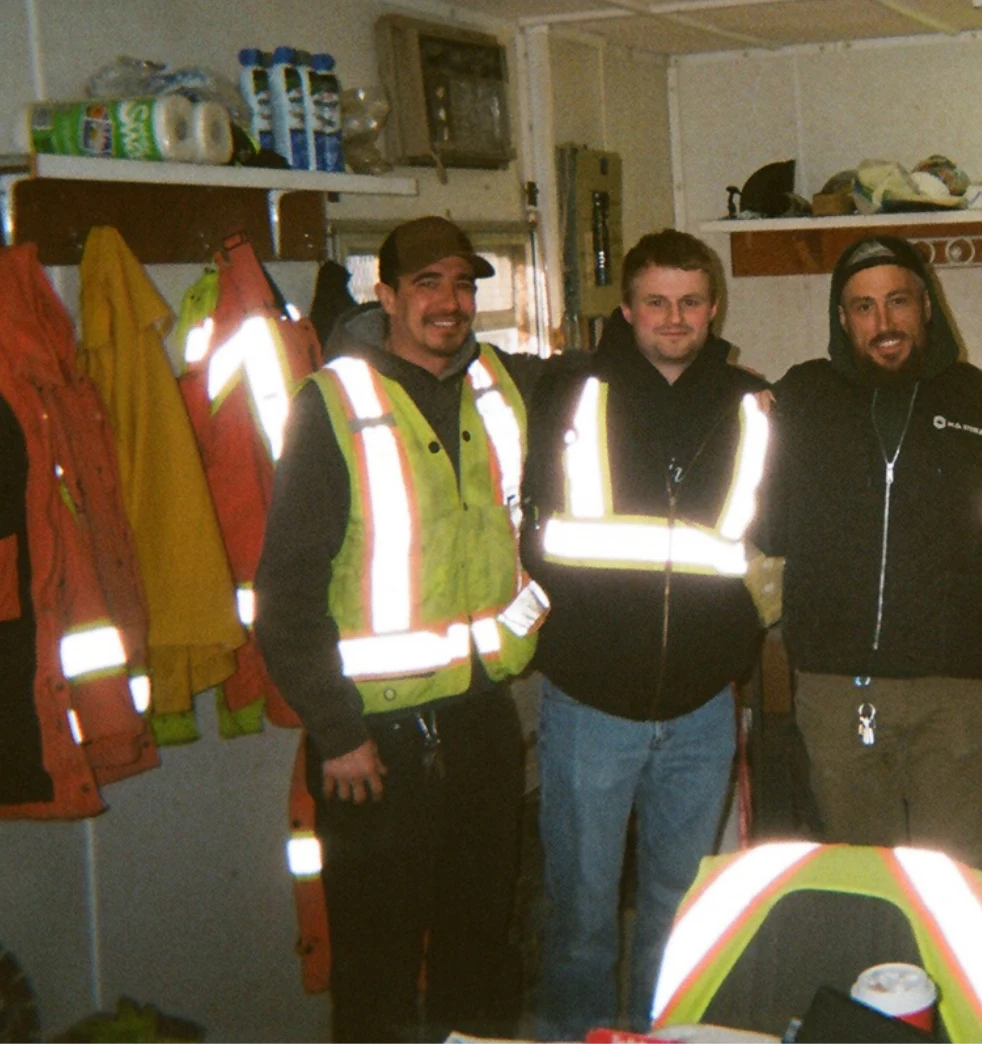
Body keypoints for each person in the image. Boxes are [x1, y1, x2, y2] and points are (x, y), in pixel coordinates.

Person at [255, 216, 548, 1043]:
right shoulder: (334, 405)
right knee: (377, 972)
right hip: (370, 745)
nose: (449, 303)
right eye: (427, 284)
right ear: (384, 294)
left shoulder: (498, 385)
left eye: (463, 284)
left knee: (481, 951)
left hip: (482, 724)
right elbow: (283, 595)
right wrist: (338, 732)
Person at [523, 229, 769, 1038]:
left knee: (678, 914)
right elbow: (517, 520)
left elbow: (771, 531)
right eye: (656, 301)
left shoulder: (751, 403)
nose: (674, 317)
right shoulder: (564, 394)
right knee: (581, 923)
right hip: (590, 707)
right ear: (626, 308)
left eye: (691, 301)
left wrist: (735, 651)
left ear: (713, 307)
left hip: (702, 710)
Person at [757, 236, 982, 869]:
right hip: (839, 688)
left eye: (898, 301)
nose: (884, 323)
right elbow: (770, 526)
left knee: (956, 884)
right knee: (861, 880)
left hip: (958, 690)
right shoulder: (801, 399)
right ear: (843, 319)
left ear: (927, 305)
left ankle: (952, 977)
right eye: (863, 307)